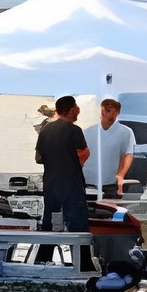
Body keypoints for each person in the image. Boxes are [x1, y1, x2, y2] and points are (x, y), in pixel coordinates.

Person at [35, 95, 90, 235]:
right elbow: (84, 153)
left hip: (51, 185)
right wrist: (71, 164)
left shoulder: (46, 130)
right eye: (76, 107)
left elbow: (38, 157)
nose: (78, 110)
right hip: (72, 186)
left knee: (52, 222)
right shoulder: (74, 130)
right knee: (77, 226)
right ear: (71, 110)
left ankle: (47, 248)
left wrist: (55, 161)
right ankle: (79, 250)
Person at [84, 98, 136, 199]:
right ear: (102, 111)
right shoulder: (88, 131)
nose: (111, 114)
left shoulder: (125, 132)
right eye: (108, 110)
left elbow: (128, 155)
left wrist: (121, 176)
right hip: (87, 181)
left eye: (114, 111)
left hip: (111, 183)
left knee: (110, 207)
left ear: (118, 112)